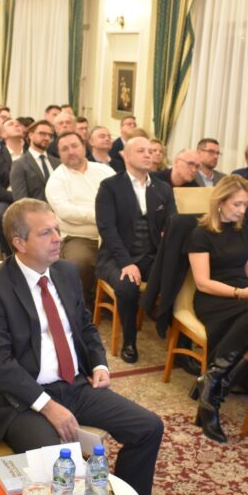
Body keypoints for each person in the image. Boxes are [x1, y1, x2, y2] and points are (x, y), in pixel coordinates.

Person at [0, 199, 168, 495]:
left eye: (57, 229)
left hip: (73, 384)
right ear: (19, 242)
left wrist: (99, 364)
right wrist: (47, 406)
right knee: (53, 455)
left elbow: (85, 326)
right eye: (46, 233)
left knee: (148, 427)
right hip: (19, 399)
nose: (58, 238)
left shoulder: (66, 272)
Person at [188, 176, 248, 443]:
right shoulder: (201, 233)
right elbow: (202, 282)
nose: (242, 210)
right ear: (220, 202)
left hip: (244, 295)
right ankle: (214, 386)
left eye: (245, 205)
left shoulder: (243, 228)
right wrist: (240, 293)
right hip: (213, 298)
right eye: (237, 204)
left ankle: (213, 385)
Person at [95, 136, 176, 363]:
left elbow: (173, 223)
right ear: (127, 156)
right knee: (128, 286)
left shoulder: (162, 188)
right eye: (142, 151)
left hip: (151, 255)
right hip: (117, 256)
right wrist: (126, 263)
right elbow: (107, 229)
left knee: (178, 278)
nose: (149, 155)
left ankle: (178, 342)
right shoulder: (110, 186)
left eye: (151, 151)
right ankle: (129, 341)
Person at [44, 131, 115, 304]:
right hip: (79, 238)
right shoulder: (56, 180)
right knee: (80, 263)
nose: (71, 151)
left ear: (84, 147)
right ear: (59, 154)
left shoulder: (104, 170)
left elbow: (122, 195)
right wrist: (102, 216)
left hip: (114, 234)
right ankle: (83, 307)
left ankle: (116, 303)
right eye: (64, 149)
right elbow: (66, 212)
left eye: (74, 146)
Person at [0, 117, 26, 254]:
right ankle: (10, 254)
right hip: (6, 198)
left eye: (18, 124)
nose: (16, 125)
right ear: (3, 134)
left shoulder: (30, 154)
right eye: (11, 124)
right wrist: (18, 197)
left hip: (31, 197)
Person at [10, 120, 60, 202]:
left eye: (50, 135)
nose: (47, 138)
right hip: (33, 209)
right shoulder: (19, 164)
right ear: (31, 135)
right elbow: (21, 200)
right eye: (42, 134)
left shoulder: (58, 163)